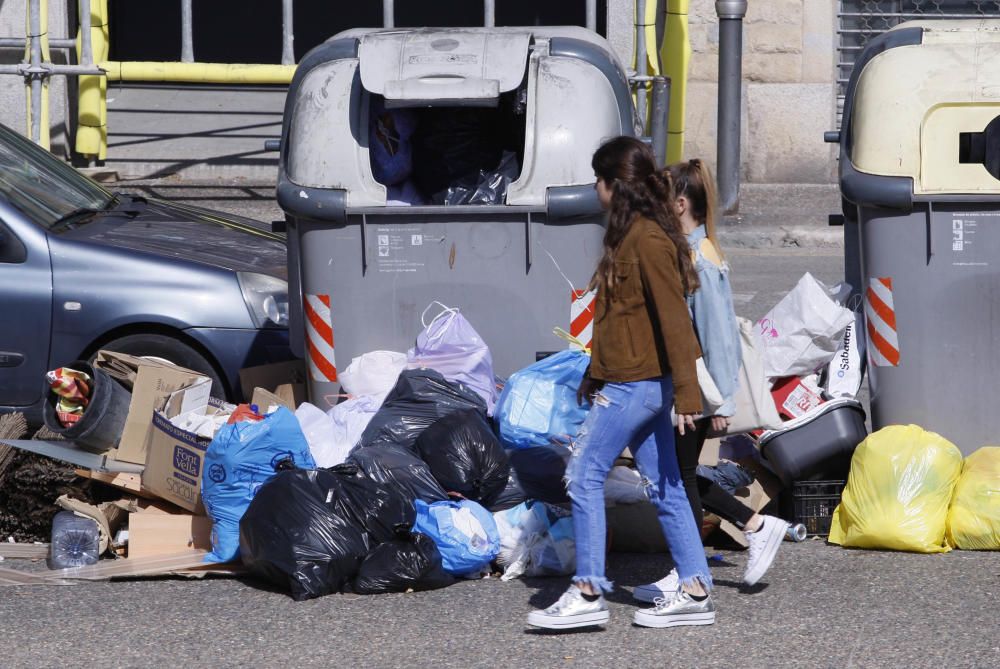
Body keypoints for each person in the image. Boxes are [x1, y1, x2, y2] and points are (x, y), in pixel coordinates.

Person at [527, 137, 715, 631]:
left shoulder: (648, 240)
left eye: (599, 179)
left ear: (615, 185)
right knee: (667, 486)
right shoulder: (630, 234)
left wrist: (688, 396)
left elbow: (675, 320)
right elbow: (622, 319)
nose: (594, 188)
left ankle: (588, 590)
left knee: (583, 476)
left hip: (637, 387)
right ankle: (695, 589)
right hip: (633, 381)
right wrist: (594, 373)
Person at [632, 159, 789, 604]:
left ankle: (696, 570)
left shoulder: (701, 259)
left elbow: (718, 337)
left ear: (679, 204)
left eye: (660, 203)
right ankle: (745, 532)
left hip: (697, 391)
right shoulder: (690, 253)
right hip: (691, 388)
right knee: (674, 476)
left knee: (674, 478)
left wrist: (720, 405)